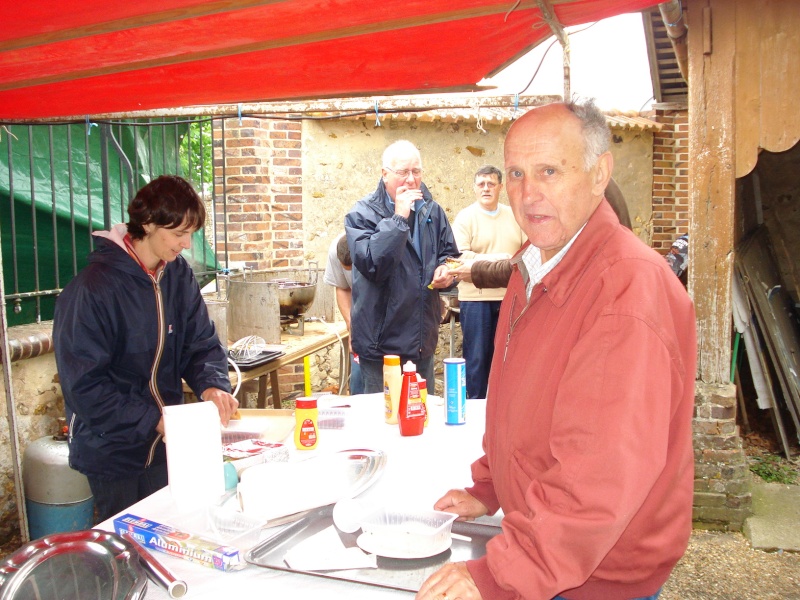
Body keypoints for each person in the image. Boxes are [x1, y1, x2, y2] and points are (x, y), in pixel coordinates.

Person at [418, 101, 697, 600]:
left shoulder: (625, 291)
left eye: (549, 170)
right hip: (555, 548)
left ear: (599, 173)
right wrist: (490, 488)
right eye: (518, 174)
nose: (529, 193)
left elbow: (598, 478)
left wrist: (496, 576)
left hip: (594, 573)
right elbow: (520, 404)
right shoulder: (538, 261)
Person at [53, 175, 238, 523]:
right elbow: (85, 387)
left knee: (172, 531)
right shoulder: (92, 290)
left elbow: (200, 343)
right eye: (178, 233)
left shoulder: (178, 274)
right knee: (126, 546)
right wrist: (153, 420)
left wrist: (212, 385)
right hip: (113, 452)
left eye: (191, 233)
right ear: (148, 223)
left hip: (166, 448)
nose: (186, 244)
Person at [345, 140, 459, 392]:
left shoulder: (433, 212)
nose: (410, 180)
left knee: (420, 419)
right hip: (381, 345)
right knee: (382, 421)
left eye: (416, 171)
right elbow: (373, 265)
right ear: (384, 174)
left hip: (421, 340)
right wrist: (398, 218)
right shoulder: (361, 214)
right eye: (403, 172)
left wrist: (447, 271)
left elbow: (450, 256)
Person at [449, 177, 631, 289]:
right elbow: (529, 263)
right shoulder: (587, 179)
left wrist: (475, 270)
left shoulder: (580, 186)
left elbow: (532, 268)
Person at [452, 165, 525, 399]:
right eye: (481, 184)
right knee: (476, 361)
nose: (486, 189)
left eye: (491, 184)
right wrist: (501, 258)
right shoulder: (465, 218)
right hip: (476, 300)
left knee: (508, 361)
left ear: (500, 187)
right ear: (474, 188)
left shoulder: (515, 215)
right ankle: (474, 412)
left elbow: (525, 254)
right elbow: (459, 258)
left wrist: (481, 261)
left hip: (510, 298)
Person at [322, 232, 365, 394]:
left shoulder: (377, 249)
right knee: (359, 381)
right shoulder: (335, 250)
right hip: (359, 315)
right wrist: (351, 326)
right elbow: (342, 287)